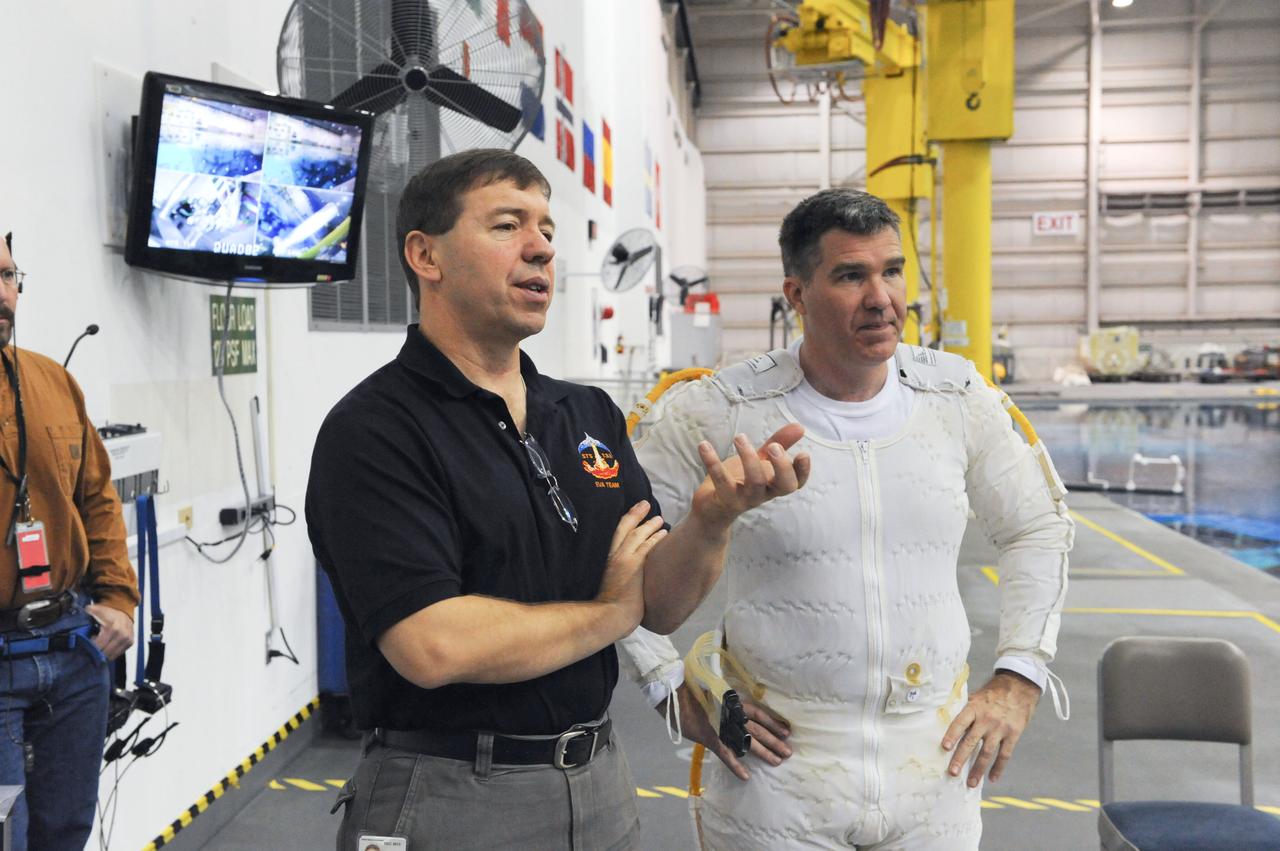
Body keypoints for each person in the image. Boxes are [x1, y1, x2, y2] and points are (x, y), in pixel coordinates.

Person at [305, 149, 810, 850]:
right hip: (451, 793)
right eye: (507, 225)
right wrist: (608, 613)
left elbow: (658, 604)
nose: (541, 247)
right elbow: (434, 644)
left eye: (546, 228)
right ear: (426, 255)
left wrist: (712, 520)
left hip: (598, 781)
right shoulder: (377, 430)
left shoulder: (586, 414)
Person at [618, 188, 1074, 850]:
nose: (881, 298)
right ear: (797, 294)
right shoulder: (718, 410)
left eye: (893, 271)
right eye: (851, 275)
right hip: (775, 777)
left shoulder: (958, 397)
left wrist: (1019, 676)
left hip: (936, 769)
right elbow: (613, 543)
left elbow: (1038, 527)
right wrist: (666, 685)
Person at [0, 232, 138, 850]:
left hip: (72, 655)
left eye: (8, 276)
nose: (3, 293)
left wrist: (120, 599)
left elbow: (97, 498)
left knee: (65, 833)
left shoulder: (51, 380)